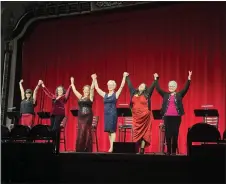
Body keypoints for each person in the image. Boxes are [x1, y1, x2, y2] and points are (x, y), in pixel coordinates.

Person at [154, 71, 192, 155]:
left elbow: (186, 88)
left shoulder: (179, 94)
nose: (171, 87)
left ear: (176, 87)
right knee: (167, 134)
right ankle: (168, 151)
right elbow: (158, 88)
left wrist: (189, 78)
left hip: (176, 117)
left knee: (175, 134)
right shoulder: (165, 94)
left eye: (172, 86)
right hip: (167, 117)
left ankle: (174, 152)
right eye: (169, 86)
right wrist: (156, 79)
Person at [92, 73, 127, 152]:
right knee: (109, 131)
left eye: (111, 85)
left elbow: (121, 86)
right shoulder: (105, 94)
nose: (110, 86)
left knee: (113, 130)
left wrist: (124, 77)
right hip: (106, 114)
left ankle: (112, 147)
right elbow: (97, 88)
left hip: (113, 114)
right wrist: (94, 79)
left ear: (114, 86)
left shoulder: (116, 94)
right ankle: (111, 146)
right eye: (109, 85)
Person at [125, 72, 156, 154]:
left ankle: (142, 149)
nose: (141, 86)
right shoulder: (133, 92)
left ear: (145, 88)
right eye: (140, 85)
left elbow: (152, 87)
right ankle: (135, 149)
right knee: (136, 132)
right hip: (136, 116)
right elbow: (130, 85)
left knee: (144, 133)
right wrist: (127, 76)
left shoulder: (147, 94)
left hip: (145, 116)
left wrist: (155, 79)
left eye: (143, 86)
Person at [40, 80, 71, 153]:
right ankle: (54, 147)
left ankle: (53, 146)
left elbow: (68, 93)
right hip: (53, 114)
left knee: (54, 129)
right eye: (58, 90)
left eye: (61, 90)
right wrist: (43, 85)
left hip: (60, 114)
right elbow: (48, 93)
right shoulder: (54, 97)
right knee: (53, 130)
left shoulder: (64, 97)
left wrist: (70, 86)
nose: (60, 91)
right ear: (57, 91)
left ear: (63, 91)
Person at [70, 75, 95, 152]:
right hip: (81, 116)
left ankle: (87, 148)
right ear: (83, 90)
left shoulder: (90, 97)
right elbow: (74, 90)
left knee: (86, 130)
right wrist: (72, 82)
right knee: (81, 130)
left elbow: (92, 89)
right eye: (85, 90)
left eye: (88, 90)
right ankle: (80, 148)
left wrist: (93, 79)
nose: (87, 91)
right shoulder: (80, 97)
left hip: (88, 116)